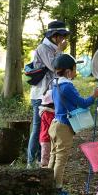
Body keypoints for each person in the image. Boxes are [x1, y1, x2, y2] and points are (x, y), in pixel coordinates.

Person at [49, 54, 98, 195]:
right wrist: (94, 95)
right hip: (63, 127)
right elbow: (83, 103)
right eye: (74, 69)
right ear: (68, 71)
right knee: (61, 158)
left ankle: (47, 183)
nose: (76, 72)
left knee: (53, 156)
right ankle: (57, 189)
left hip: (54, 124)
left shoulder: (55, 83)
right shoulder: (67, 86)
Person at [27, 20, 69, 167]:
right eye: (62, 35)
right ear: (55, 36)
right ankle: (31, 162)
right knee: (38, 128)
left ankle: (42, 160)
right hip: (40, 96)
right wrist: (59, 50)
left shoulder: (52, 48)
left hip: (50, 94)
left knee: (47, 129)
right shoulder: (43, 48)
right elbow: (54, 66)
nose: (64, 39)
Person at [38, 89, 55, 168]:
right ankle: (44, 172)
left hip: (47, 138)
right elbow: (52, 123)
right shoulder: (46, 113)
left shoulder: (47, 112)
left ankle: (49, 171)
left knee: (49, 156)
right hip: (46, 138)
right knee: (45, 158)